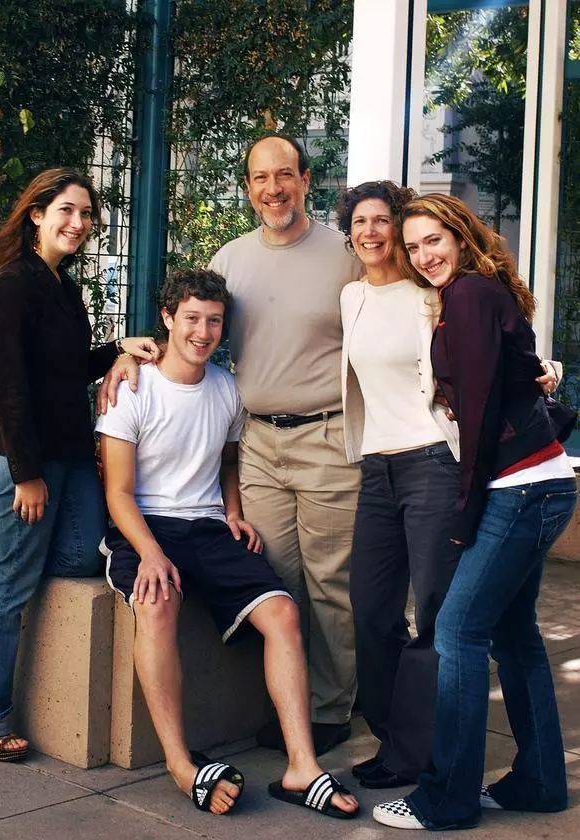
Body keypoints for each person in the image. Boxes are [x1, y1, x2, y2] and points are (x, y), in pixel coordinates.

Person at [99, 132, 362, 756]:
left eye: (285, 175)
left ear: (305, 180)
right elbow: (194, 321)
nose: (273, 188)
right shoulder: (231, 259)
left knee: (332, 584)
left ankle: (329, 710)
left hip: (326, 434)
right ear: (248, 187)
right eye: (260, 178)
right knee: (279, 575)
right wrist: (130, 354)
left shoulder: (344, 256)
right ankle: (285, 706)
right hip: (258, 440)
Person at [96, 268, 359, 819]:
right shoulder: (133, 388)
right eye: (191, 318)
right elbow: (117, 492)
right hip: (146, 526)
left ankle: (301, 766)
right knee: (158, 601)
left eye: (214, 321)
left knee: (284, 613)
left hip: (210, 527)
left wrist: (234, 512)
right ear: (167, 319)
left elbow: (228, 460)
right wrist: (150, 553)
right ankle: (181, 764)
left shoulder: (226, 388)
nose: (203, 332)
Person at [373, 193, 577, 831]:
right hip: (538, 483)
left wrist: (466, 507)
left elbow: (482, 410)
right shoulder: (475, 294)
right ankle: (540, 781)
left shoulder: (468, 295)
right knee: (515, 636)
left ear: (461, 237)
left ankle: (447, 797)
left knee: (459, 632)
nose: (423, 255)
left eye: (434, 240)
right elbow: (513, 376)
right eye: (413, 246)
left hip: (520, 488)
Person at [0, 168, 158, 760]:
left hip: (70, 450)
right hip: (27, 456)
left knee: (79, 556)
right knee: (15, 578)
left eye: (87, 213)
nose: (79, 222)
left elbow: (67, 370)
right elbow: (8, 385)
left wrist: (119, 348)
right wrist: (26, 474)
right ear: (37, 214)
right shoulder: (13, 284)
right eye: (67, 209)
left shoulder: (64, 285)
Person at [338, 180, 462, 788]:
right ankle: (393, 738)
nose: (370, 232)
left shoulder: (428, 295)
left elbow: (478, 354)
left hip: (432, 461)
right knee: (370, 608)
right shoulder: (351, 296)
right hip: (377, 467)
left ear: (398, 229)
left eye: (381, 220)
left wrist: (543, 370)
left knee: (435, 608)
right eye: (359, 222)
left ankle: (420, 752)